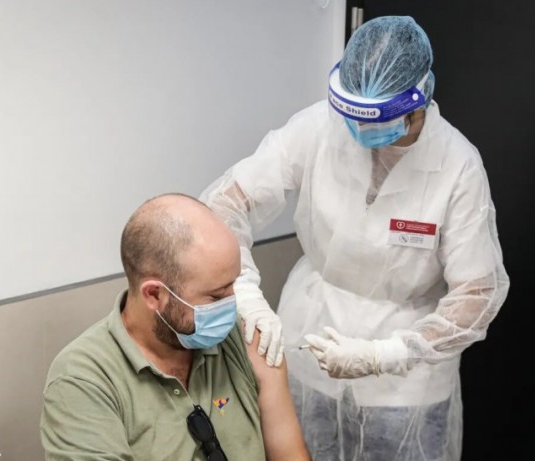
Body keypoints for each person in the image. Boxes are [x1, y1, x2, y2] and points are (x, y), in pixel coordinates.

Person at [200, 16, 510, 461]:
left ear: (418, 103)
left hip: (405, 379)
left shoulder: (457, 166)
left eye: (377, 121)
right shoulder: (317, 127)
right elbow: (225, 204)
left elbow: (477, 294)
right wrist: (244, 294)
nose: (361, 135)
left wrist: (388, 354)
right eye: (352, 118)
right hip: (309, 337)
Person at [40, 193, 310, 461]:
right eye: (215, 296)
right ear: (154, 295)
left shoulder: (247, 339)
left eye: (234, 284)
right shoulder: (83, 379)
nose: (232, 304)